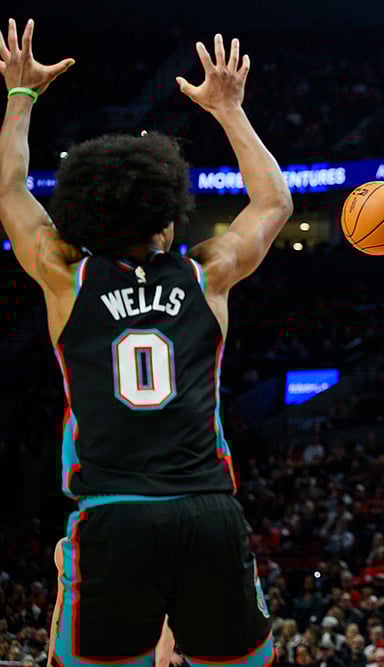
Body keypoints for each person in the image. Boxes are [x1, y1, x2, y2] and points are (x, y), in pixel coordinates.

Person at [0, 22, 291, 664]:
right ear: (168, 211)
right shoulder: (206, 273)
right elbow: (273, 202)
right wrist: (229, 110)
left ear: (85, 214)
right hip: (205, 510)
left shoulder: (65, 277)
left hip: (112, 515)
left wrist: (21, 97)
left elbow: (11, 191)